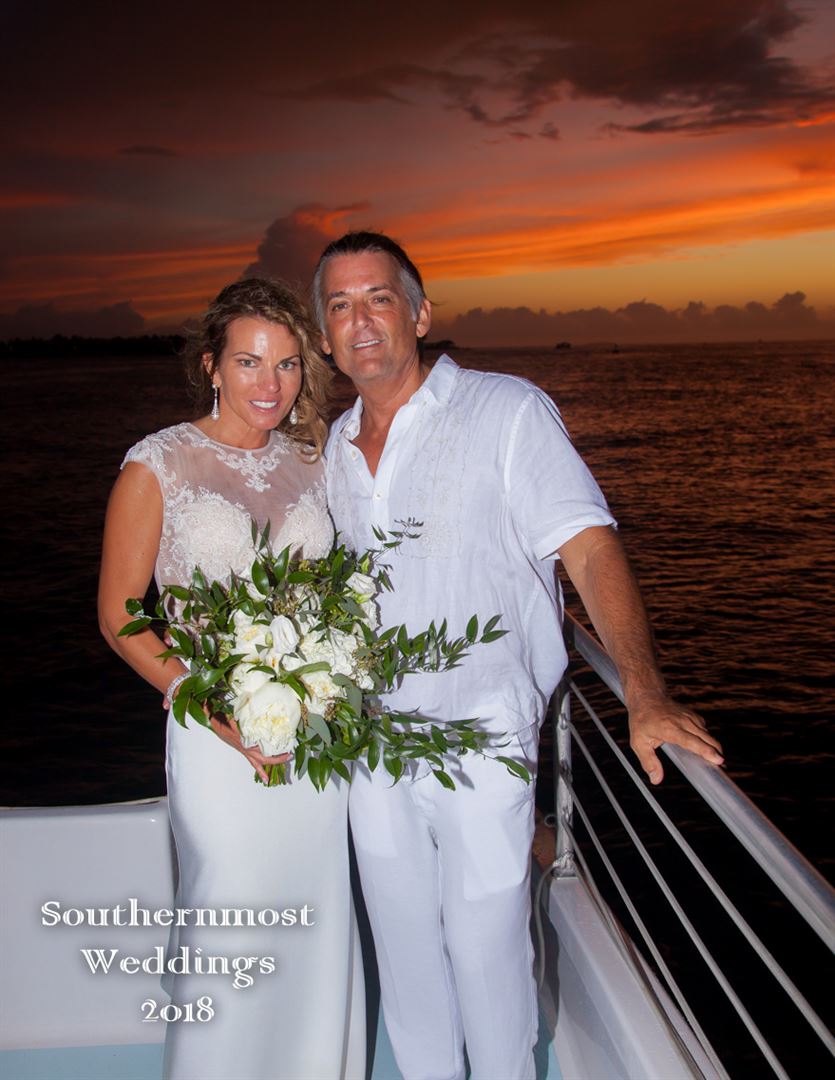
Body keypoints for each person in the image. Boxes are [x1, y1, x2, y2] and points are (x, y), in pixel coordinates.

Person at [313, 231, 725, 1080]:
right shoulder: (334, 447)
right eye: (340, 305)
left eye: (379, 298)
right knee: (403, 947)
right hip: (370, 739)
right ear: (323, 335)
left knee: (486, 949)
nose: (361, 321)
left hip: (481, 733)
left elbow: (589, 546)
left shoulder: (505, 411)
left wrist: (643, 690)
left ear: (419, 314)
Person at [98, 279, 365, 1080]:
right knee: (231, 914)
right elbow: (120, 615)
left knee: (316, 910)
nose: (269, 384)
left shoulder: (314, 462)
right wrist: (219, 712)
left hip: (313, 734)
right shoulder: (157, 464)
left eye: (286, 364)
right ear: (211, 365)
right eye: (249, 361)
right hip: (214, 736)